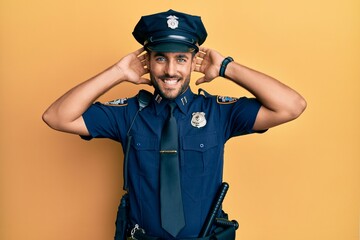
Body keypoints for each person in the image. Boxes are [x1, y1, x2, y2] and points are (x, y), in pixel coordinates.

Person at [42, 9, 306, 240]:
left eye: (181, 58)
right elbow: (57, 117)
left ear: (194, 62)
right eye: (160, 58)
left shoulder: (218, 112)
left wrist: (227, 67)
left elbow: (291, 106)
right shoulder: (128, 113)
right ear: (148, 61)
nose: (170, 70)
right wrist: (118, 73)